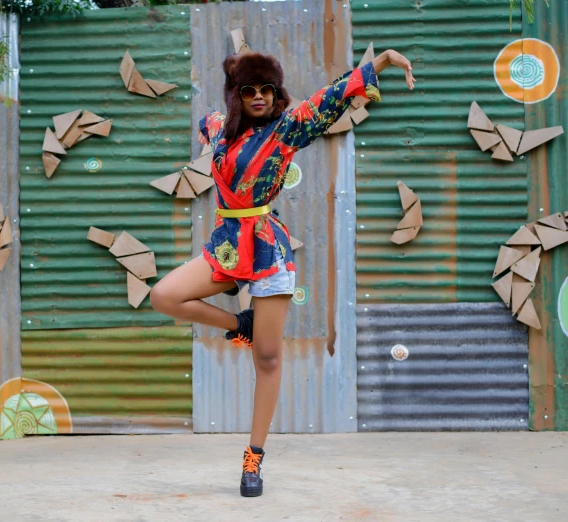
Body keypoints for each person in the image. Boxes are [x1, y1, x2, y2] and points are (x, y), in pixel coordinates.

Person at [150, 49, 415, 497]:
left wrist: (383, 62)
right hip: (228, 247)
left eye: (266, 90)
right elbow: (209, 120)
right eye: (248, 90)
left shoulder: (287, 127)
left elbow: (332, 95)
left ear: (276, 95)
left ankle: (252, 462)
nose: (258, 97)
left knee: (268, 359)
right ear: (237, 96)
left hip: (268, 249)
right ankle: (241, 323)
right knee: (165, 295)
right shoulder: (218, 127)